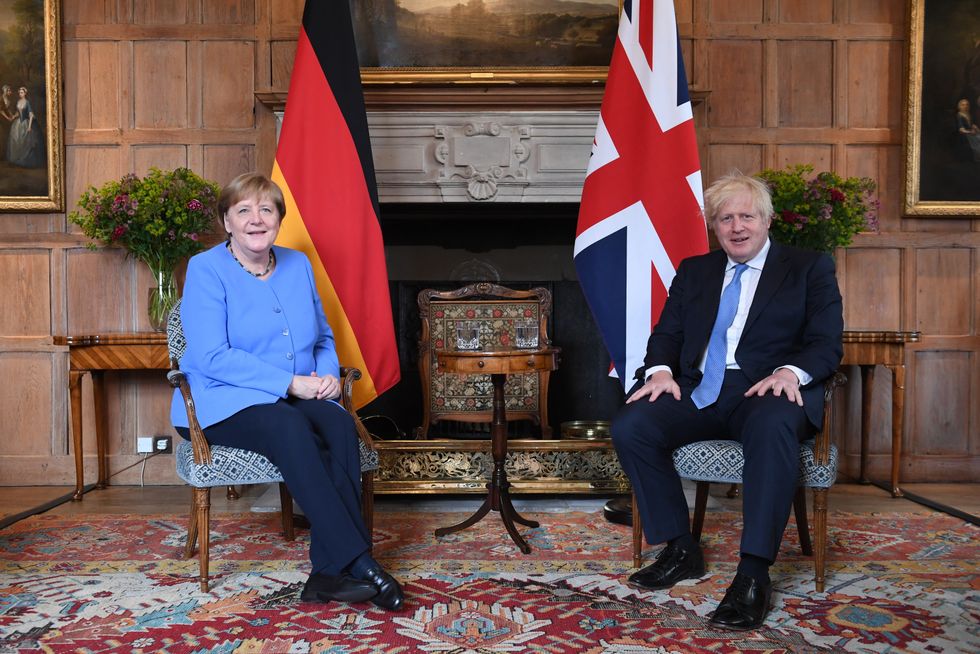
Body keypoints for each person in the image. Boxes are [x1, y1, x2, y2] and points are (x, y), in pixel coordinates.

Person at [611, 171, 843, 630]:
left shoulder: (808, 267)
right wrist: (659, 372)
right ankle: (681, 548)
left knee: (773, 423)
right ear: (713, 226)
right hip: (699, 389)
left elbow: (826, 343)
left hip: (766, 390)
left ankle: (753, 574)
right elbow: (668, 334)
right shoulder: (696, 270)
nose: (737, 227)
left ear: (768, 220)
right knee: (632, 424)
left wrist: (788, 373)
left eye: (747, 216)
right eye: (725, 218)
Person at [171, 172, 404, 610]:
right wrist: (290, 383)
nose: (256, 220)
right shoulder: (206, 269)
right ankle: (361, 562)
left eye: (266, 209)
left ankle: (325, 575)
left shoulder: (296, 263)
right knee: (288, 426)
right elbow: (209, 356)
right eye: (244, 211)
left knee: (337, 424)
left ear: (279, 218)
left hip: (294, 393)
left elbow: (322, 336)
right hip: (223, 398)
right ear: (227, 221)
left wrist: (327, 376)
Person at [6, 87, 45, 168]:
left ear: (25, 93)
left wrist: (29, 126)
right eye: (19, 92)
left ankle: (24, 161)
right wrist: (13, 117)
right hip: (17, 123)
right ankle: (17, 159)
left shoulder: (27, 102)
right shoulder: (18, 102)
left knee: (25, 141)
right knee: (15, 139)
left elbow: (31, 115)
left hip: (25, 123)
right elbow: (17, 113)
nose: (20, 94)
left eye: (22, 92)